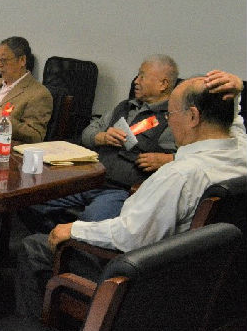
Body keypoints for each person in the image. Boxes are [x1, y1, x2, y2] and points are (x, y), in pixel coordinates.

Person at [14, 70, 247, 319]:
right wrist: (236, 94)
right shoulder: (240, 153)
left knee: (33, 247)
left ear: (192, 116)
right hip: (208, 285)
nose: (169, 121)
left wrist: (74, 230)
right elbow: (233, 125)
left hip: (140, 284)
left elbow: (130, 236)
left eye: (170, 114)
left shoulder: (180, 175)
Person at [20, 55, 179, 232]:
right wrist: (101, 137)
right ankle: (55, 239)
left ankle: (67, 241)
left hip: (121, 190)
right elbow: (87, 133)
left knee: (89, 224)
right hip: (89, 179)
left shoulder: (173, 119)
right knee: (29, 199)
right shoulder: (124, 107)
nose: (136, 81)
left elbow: (191, 159)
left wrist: (169, 159)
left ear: (163, 84)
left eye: (142, 76)